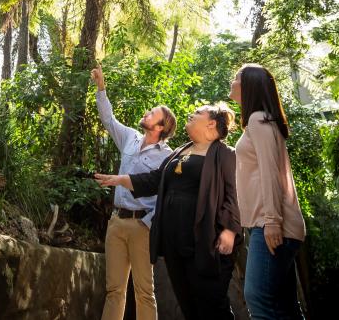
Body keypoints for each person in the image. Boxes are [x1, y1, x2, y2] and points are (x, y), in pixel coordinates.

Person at [95, 103, 242, 320]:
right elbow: (154, 179)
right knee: (188, 304)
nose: (191, 114)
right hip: (175, 243)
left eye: (198, 113)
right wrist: (120, 180)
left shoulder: (225, 154)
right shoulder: (180, 150)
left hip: (204, 242)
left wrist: (229, 230)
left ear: (211, 124)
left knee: (212, 304)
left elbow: (235, 192)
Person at [91, 64, 175, 320]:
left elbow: (165, 197)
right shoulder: (130, 137)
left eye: (152, 114)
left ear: (160, 127)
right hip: (117, 223)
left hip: (142, 226)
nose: (146, 114)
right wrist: (101, 88)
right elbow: (108, 120)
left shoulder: (167, 157)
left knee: (144, 292)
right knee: (114, 290)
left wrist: (148, 224)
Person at [229, 63, 306, 319]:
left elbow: (269, 174)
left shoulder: (258, 120)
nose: (233, 80)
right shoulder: (261, 120)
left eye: (237, 77)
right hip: (267, 224)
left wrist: (272, 221)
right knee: (284, 307)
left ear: (249, 85)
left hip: (271, 225)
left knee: (259, 300)